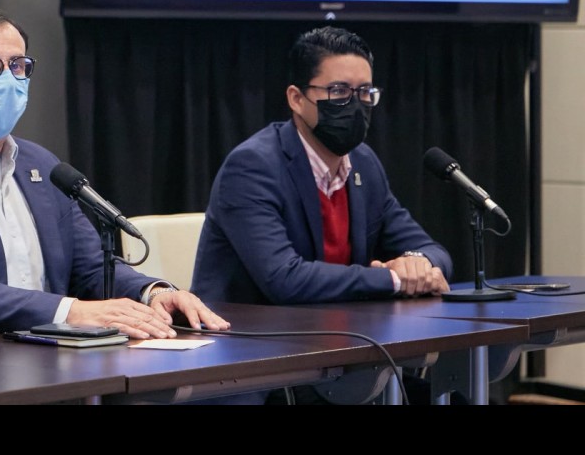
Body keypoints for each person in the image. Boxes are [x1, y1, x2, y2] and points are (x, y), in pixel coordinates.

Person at [0, 4, 229, 342]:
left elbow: (90, 268)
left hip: (35, 357)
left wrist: (154, 293)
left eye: (18, 65)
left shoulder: (40, 164)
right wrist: (71, 311)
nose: (8, 80)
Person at [190, 25, 453, 404]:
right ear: (297, 99)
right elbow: (285, 279)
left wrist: (418, 263)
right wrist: (394, 279)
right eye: (339, 92)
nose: (356, 105)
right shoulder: (252, 166)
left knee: (450, 396)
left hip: (339, 357)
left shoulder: (363, 164)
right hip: (253, 366)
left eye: (365, 92)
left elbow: (434, 252)